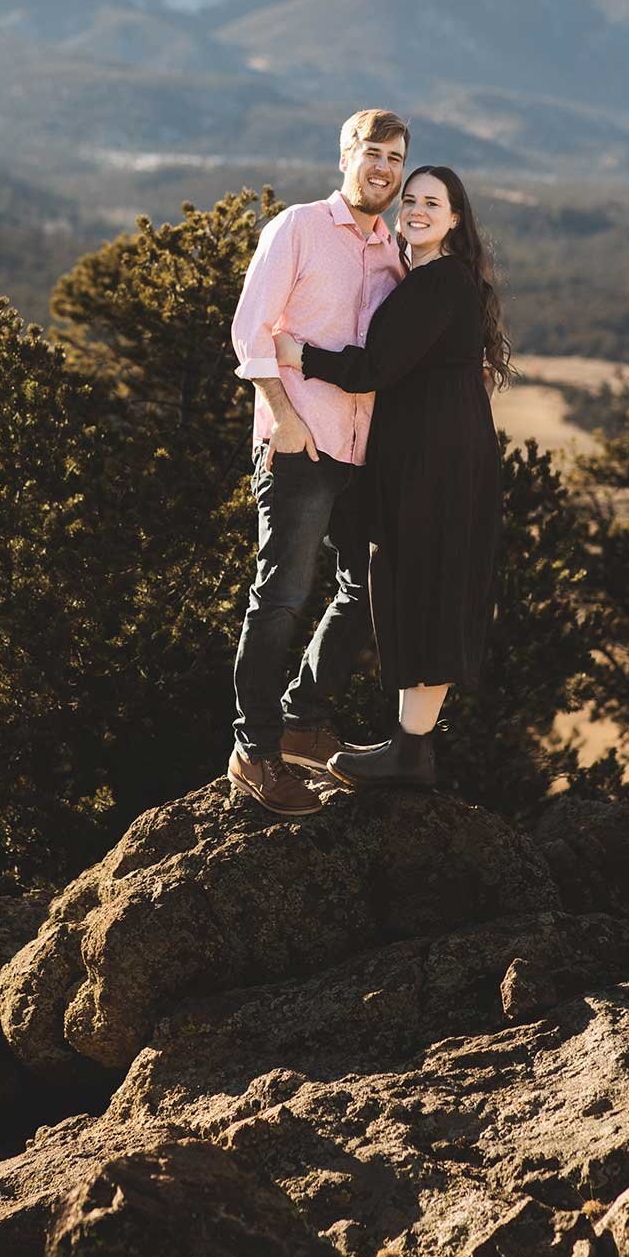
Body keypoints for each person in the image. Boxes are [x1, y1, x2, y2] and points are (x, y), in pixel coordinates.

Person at [277, 164, 507, 791]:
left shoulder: (439, 282)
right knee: (414, 588)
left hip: (438, 461)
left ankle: (411, 754)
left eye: (434, 202)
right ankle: (408, 749)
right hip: (433, 454)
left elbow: (374, 367)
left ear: (456, 219)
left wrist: (301, 355)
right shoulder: (430, 279)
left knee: (428, 590)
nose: (418, 209)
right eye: (411, 199)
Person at [225, 110, 410, 818]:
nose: (384, 169)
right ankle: (255, 750)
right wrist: (287, 418)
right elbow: (251, 329)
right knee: (280, 595)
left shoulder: (394, 255)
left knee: (366, 587)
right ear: (344, 157)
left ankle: (302, 720)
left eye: (395, 158)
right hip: (300, 446)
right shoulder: (298, 227)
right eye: (372, 153)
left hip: (360, 455)